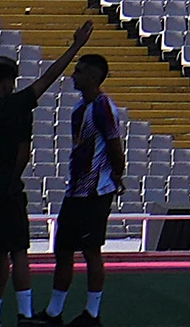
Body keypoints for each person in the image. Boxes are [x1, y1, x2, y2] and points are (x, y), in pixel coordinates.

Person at [0, 28, 84, 325]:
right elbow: (48, 78)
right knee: (13, 253)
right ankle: (18, 313)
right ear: (8, 81)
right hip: (7, 193)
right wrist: (75, 45)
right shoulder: (17, 106)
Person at [44, 51, 128, 321]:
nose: (73, 76)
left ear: (93, 76)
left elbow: (115, 145)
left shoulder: (103, 106)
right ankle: (54, 311)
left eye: (79, 71)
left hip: (95, 190)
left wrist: (116, 175)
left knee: (91, 250)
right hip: (77, 189)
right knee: (64, 249)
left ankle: (92, 313)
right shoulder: (80, 109)